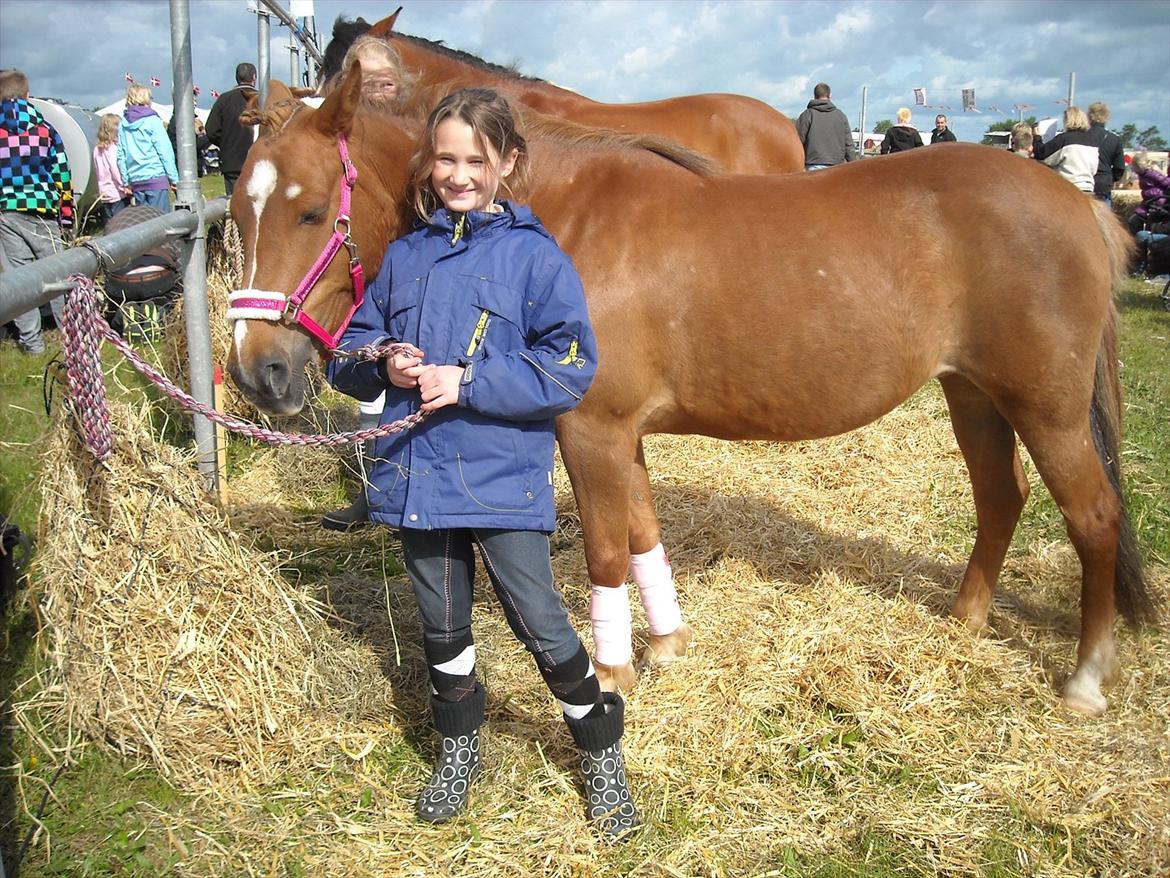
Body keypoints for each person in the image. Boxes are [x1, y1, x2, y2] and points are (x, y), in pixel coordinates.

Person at [327, 87, 639, 839]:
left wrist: (467, 380)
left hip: (498, 477)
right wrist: (384, 361)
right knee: (441, 624)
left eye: (476, 159)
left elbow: (569, 368)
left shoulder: (537, 259)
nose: (458, 174)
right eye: (445, 159)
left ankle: (600, 753)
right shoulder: (404, 259)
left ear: (508, 162)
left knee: (541, 623)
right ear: (429, 164)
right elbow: (346, 354)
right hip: (415, 474)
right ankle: (459, 748)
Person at [320, 36, 415, 531]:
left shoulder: (418, 138)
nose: (377, 91)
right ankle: (374, 489)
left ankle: (404, 488)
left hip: (410, 272)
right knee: (372, 384)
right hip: (366, 276)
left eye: (386, 81)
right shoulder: (339, 141)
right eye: (366, 81)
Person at [0, 68, 74, 355]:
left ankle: (32, 344)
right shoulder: (44, 130)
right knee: (56, 275)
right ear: (27, 95)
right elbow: (61, 174)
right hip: (42, 210)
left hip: (7, 211)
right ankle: (71, 336)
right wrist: (66, 216)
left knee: (22, 279)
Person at [116, 84, 178, 210]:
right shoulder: (152, 120)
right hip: (155, 177)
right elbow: (165, 151)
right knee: (162, 223)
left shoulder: (123, 123)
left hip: (136, 181)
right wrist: (174, 179)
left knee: (145, 222)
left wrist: (126, 182)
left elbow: (121, 155)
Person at [205, 62, 258, 195]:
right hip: (259, 160)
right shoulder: (263, 99)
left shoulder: (224, 100)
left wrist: (226, 143)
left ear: (236, 78)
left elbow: (211, 130)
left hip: (232, 162)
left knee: (235, 203)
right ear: (254, 78)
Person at [1032, 106, 1097, 194]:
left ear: (1068, 120)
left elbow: (1042, 155)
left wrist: (1037, 137)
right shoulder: (1092, 141)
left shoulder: (1064, 139)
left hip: (1069, 187)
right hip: (1088, 188)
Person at [795, 82, 856, 171]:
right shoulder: (840, 116)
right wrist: (853, 166)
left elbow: (798, 141)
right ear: (830, 95)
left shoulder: (807, 115)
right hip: (837, 167)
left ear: (815, 95)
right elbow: (849, 144)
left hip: (813, 165)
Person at [1128, 152, 1170, 275]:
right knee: (1133, 221)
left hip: (1157, 203)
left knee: (1136, 224)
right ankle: (1139, 259)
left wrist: (1162, 197)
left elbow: (1167, 183)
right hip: (1148, 203)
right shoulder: (1142, 175)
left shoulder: (1152, 174)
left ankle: (1141, 263)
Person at [93, 114, 132, 221]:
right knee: (121, 224)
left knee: (109, 224)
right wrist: (125, 185)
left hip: (104, 194)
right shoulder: (114, 149)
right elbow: (115, 170)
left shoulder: (97, 149)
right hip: (117, 194)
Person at [1086, 101, 1125, 204]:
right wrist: (1110, 178)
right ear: (1107, 117)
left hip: (1085, 182)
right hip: (1103, 184)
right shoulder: (1115, 139)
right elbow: (1120, 167)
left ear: (1090, 117)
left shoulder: (1081, 137)